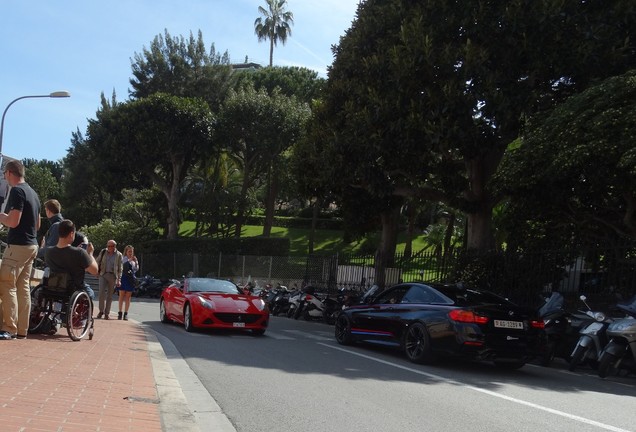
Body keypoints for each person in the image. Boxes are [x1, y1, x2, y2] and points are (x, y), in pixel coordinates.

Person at [0, 160, 41, 340]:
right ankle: (22, 329)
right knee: (23, 288)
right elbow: (37, 224)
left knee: (6, 283)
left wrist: (1, 217)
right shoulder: (34, 193)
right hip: (32, 245)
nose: (4, 177)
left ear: (9, 173)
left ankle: (9, 328)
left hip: (18, 246)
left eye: (4, 174)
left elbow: (13, 221)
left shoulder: (17, 191)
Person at [44, 220, 98, 298]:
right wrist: (90, 254)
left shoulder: (48, 251)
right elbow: (94, 271)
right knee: (91, 293)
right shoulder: (79, 252)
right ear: (71, 234)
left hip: (54, 286)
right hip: (73, 289)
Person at [95, 240, 123, 319]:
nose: (109, 248)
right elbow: (97, 261)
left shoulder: (119, 255)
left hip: (113, 276)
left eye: (111, 246)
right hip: (103, 274)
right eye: (108, 246)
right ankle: (101, 311)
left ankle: (107, 313)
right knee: (101, 293)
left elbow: (120, 268)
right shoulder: (103, 252)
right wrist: (96, 271)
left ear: (115, 246)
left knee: (109, 296)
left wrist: (119, 279)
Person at [117, 245, 138, 320]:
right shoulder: (123, 258)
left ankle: (126, 313)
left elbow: (136, 269)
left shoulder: (134, 259)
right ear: (126, 252)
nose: (130, 253)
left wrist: (135, 262)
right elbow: (122, 266)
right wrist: (129, 260)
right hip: (123, 277)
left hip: (130, 279)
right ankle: (120, 312)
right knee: (121, 295)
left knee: (128, 296)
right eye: (129, 251)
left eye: (131, 251)